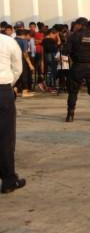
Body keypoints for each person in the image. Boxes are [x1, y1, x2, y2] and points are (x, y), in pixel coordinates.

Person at [64, 18, 90, 122]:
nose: (75, 26)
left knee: (73, 91)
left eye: (76, 24)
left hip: (77, 66)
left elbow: (65, 51)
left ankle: (70, 115)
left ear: (79, 25)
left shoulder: (73, 36)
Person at [0, 30, 26, 193]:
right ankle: (9, 180)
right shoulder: (7, 41)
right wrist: (9, 85)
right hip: (2, 90)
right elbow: (17, 68)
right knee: (5, 137)